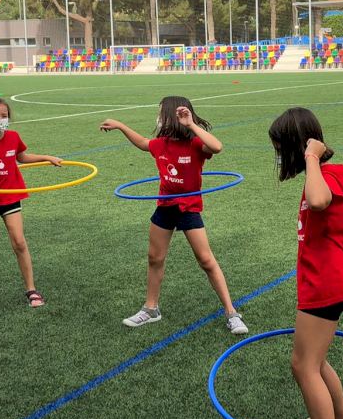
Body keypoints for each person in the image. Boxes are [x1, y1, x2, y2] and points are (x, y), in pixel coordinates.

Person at [268, 108, 343, 419]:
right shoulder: (321, 174)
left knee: (303, 366)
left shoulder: (328, 174)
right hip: (322, 281)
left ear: (299, 146)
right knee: (315, 361)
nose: (280, 156)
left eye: (282, 148)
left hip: (327, 283)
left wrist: (312, 156)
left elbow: (321, 200)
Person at [100, 96, 248, 335]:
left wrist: (191, 124)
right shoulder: (161, 144)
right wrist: (120, 126)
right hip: (165, 206)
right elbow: (143, 142)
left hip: (188, 208)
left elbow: (217, 147)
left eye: (161, 113)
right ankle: (151, 309)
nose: (158, 118)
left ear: (171, 116)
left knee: (206, 260)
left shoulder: (195, 144)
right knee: (154, 258)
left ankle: (232, 313)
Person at [0, 96, 63, 309]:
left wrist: (47, 157)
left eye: (4, 116)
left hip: (10, 197)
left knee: (19, 242)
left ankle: (31, 289)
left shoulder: (13, 137)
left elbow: (22, 158)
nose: (0, 120)